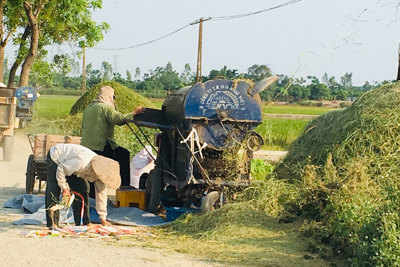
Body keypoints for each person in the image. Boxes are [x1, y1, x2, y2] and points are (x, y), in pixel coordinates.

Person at [81, 85, 144, 194]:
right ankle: (124, 185)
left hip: (87, 145)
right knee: (123, 155)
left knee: (92, 169)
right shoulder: (105, 108)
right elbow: (118, 119)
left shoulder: (89, 108)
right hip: (101, 145)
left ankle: (91, 194)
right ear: (109, 97)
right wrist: (133, 114)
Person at [45, 143, 121, 228]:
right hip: (56, 157)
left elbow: (101, 195)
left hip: (71, 166)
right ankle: (52, 223)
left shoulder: (102, 175)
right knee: (54, 189)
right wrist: (64, 188)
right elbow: (61, 169)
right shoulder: (83, 162)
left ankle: (84, 222)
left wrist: (103, 218)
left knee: (83, 189)